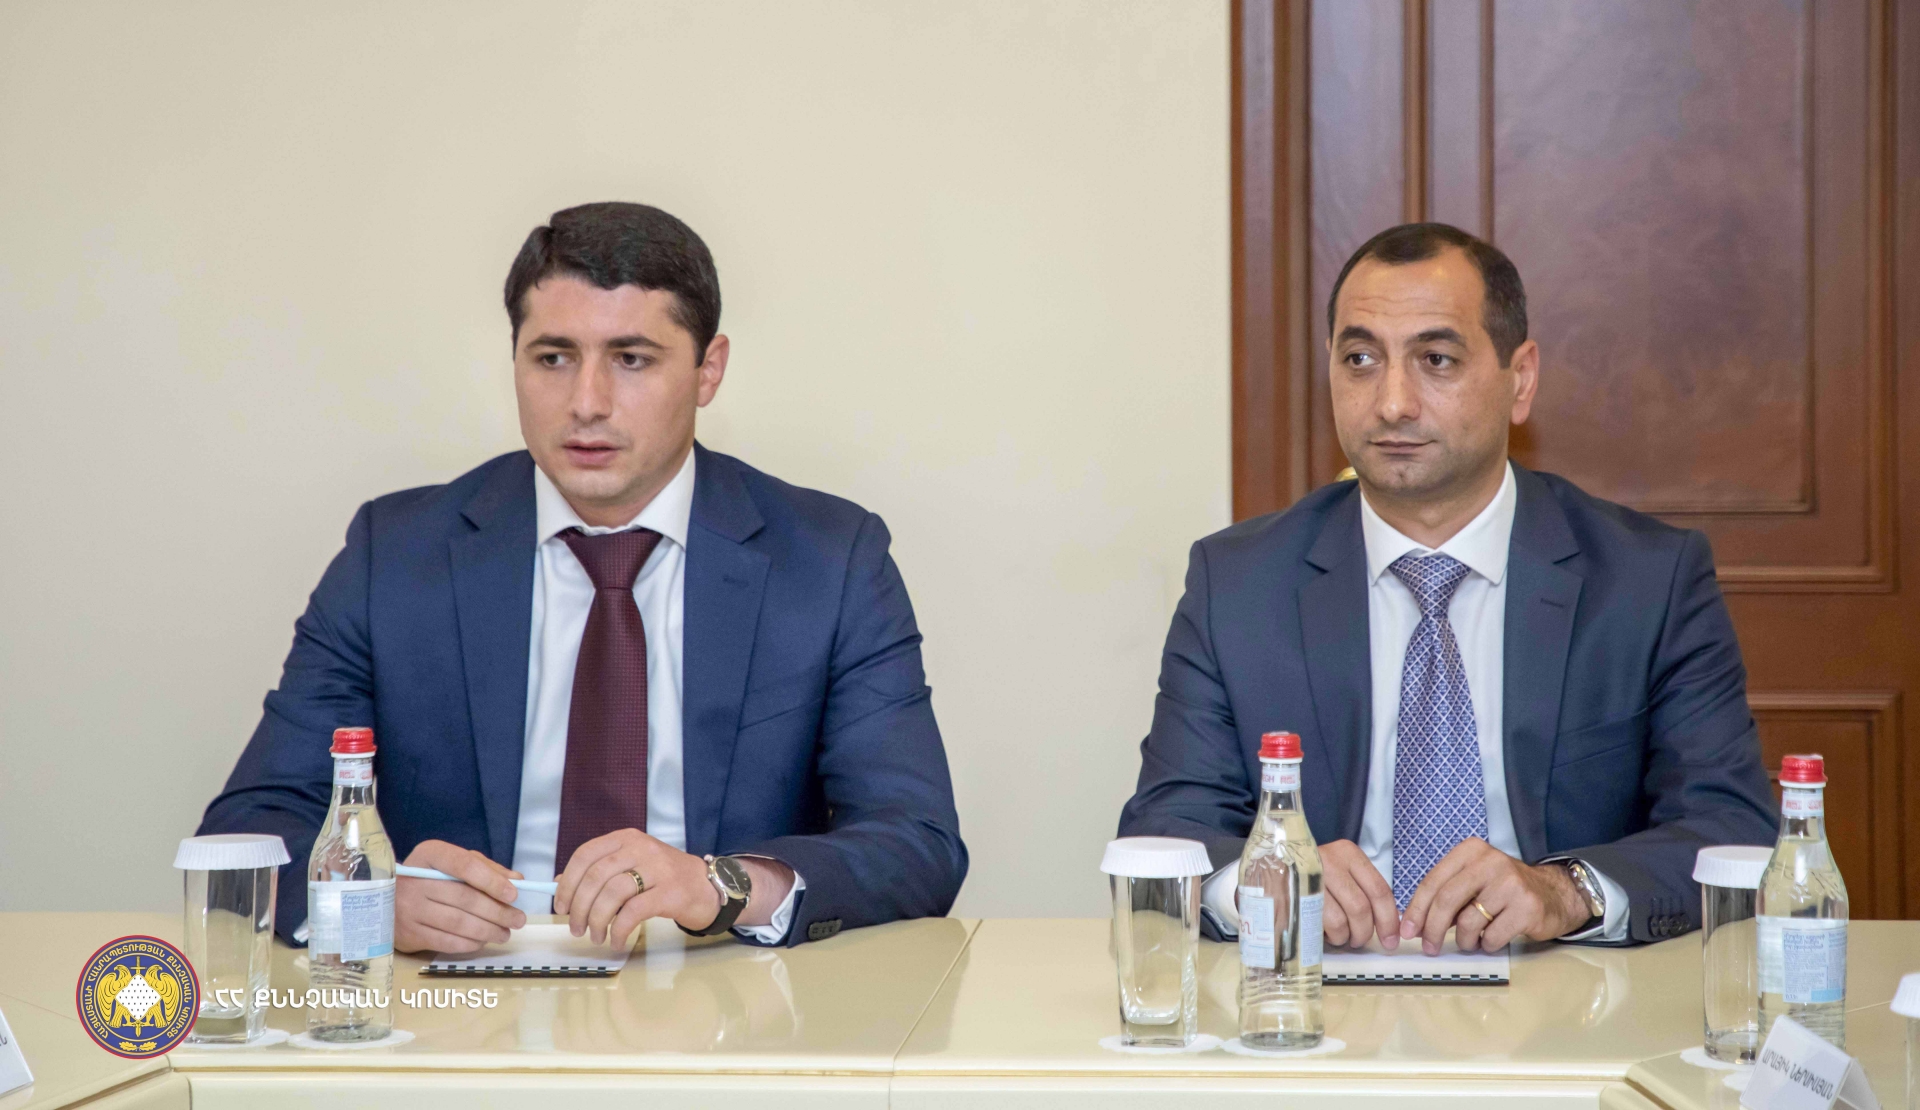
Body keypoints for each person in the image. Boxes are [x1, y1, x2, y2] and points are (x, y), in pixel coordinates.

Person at [201, 202, 967, 952]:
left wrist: (724, 885)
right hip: (462, 994)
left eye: (631, 359)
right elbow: (250, 827)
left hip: (724, 994)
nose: (586, 403)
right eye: (553, 358)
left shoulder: (829, 560)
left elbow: (916, 840)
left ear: (708, 370)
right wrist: (365, 903)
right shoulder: (397, 556)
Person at [1119, 222, 1775, 951]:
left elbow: (1732, 829)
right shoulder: (1239, 584)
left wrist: (1566, 892)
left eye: (1436, 359)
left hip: (1564, 986)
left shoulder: (1646, 580)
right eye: (1361, 359)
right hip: (1320, 987)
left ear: (1520, 379)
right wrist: (1258, 879)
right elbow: (1166, 830)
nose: (1393, 402)